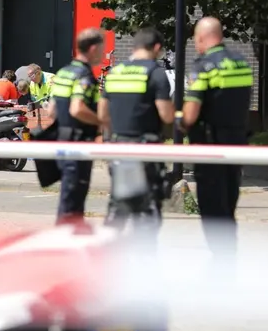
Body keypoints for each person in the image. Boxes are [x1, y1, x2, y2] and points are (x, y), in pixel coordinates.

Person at [177, 16, 253, 265]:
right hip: (237, 144)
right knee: (229, 199)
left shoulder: (204, 66)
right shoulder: (242, 64)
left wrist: (180, 122)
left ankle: (220, 259)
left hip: (209, 146)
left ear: (201, 38)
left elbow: (191, 114)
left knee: (211, 203)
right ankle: (229, 252)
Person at [97, 27, 174, 232]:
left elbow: (103, 114)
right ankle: (144, 257)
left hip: (118, 147)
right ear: (157, 47)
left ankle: (111, 255)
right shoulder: (156, 74)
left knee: (118, 205)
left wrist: (113, 137)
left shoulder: (115, 73)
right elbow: (166, 115)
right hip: (145, 150)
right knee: (147, 210)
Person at [48, 28, 105, 223]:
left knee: (68, 195)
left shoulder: (63, 73)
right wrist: (102, 121)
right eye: (102, 49)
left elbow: (51, 110)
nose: (104, 53)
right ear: (93, 48)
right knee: (74, 199)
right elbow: (77, 108)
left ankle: (67, 237)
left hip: (63, 140)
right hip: (79, 143)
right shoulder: (84, 76)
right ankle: (65, 241)